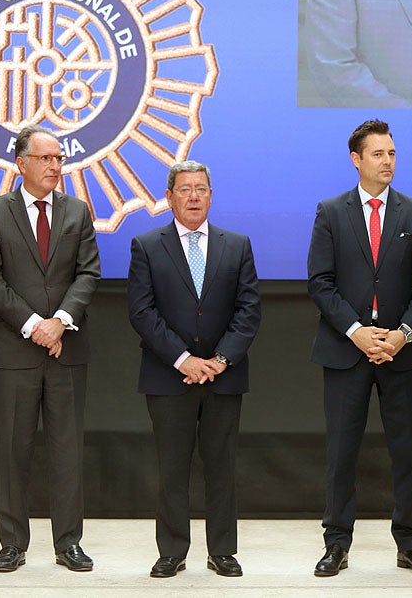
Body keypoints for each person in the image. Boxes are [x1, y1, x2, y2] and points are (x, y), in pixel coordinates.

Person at [307, 120, 412, 579]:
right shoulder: (331, 211)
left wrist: (401, 333)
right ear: (356, 159)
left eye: (393, 153)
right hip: (347, 351)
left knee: (407, 451)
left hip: (403, 352)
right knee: (342, 451)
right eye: (378, 154)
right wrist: (356, 331)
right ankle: (336, 543)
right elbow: (319, 283)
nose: (388, 162)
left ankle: (408, 542)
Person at [127, 161, 261, 579]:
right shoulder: (147, 245)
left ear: (210, 195)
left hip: (224, 376)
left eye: (201, 189)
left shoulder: (236, 245)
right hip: (169, 376)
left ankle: (222, 550)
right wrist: (184, 359)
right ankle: (172, 551)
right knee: (172, 466)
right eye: (184, 190)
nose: (193, 197)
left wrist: (219, 361)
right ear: (169, 197)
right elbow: (142, 312)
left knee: (222, 466)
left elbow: (249, 310)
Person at [0, 125, 101, 573]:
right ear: (22, 163)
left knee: (67, 450)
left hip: (66, 349)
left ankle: (68, 543)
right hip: (14, 351)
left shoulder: (78, 211)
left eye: (59, 159)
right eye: (46, 159)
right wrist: (34, 326)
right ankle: (12, 543)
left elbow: (88, 273)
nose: (55, 166)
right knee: (13, 450)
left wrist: (60, 322)